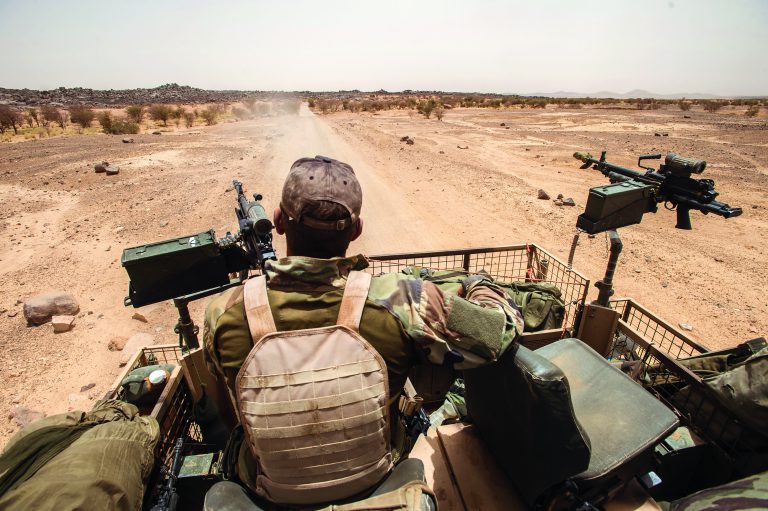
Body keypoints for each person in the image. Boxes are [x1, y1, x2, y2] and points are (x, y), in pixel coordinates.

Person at [202, 155, 524, 510]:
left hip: (270, 495)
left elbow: (225, 389)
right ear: (356, 230)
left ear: (278, 221)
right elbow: (498, 332)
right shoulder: (404, 299)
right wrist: (479, 285)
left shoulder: (223, 312)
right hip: (378, 483)